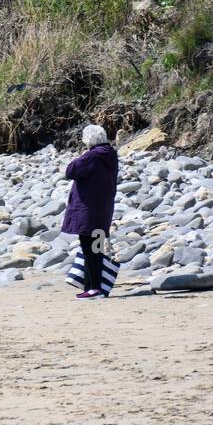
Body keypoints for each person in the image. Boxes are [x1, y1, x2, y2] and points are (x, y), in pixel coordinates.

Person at [62, 124, 119, 299]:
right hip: (103, 209)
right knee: (97, 248)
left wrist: (84, 154)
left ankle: (95, 288)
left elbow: (70, 171)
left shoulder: (92, 156)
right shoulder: (111, 154)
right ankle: (92, 286)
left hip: (88, 211)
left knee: (89, 249)